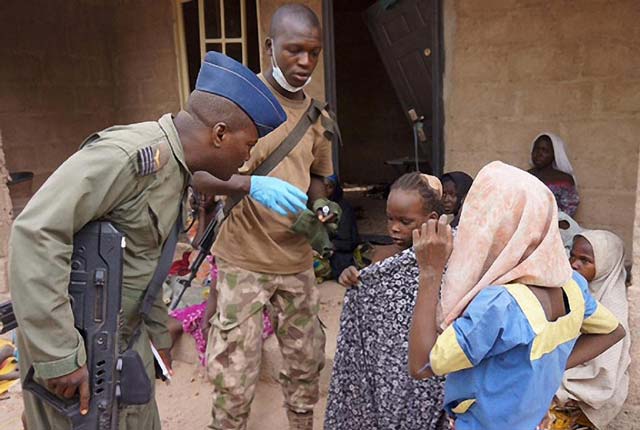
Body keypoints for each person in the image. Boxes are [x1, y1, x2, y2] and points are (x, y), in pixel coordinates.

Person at [9, 51, 307, 429]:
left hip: (119, 341)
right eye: (247, 146)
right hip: (74, 348)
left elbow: (139, 258)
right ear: (219, 133)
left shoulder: (177, 171)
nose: (247, 160)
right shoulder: (129, 158)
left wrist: (155, 329)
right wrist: (58, 355)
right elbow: (36, 232)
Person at [192, 5, 336, 429]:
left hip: (295, 263)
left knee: (305, 368)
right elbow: (197, 173)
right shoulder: (236, 105)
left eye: (314, 52)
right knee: (233, 378)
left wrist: (321, 207)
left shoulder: (317, 117)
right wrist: (248, 185)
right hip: (243, 262)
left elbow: (319, 178)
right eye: (294, 51)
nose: (305, 63)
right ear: (270, 47)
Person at [408, 161, 626, 430]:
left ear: (496, 228)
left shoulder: (499, 307)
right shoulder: (573, 286)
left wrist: (430, 272)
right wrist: (548, 370)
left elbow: (421, 365)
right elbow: (613, 331)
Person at [325, 172, 449, 430]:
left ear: (431, 220)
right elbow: (369, 297)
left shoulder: (447, 259)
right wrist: (352, 278)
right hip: (389, 371)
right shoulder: (382, 257)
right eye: (390, 218)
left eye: (405, 221)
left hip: (428, 368)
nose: (394, 227)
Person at [550, 231, 631, 429]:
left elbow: (602, 373)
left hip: (578, 396)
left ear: (605, 265)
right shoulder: (571, 290)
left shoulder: (612, 306)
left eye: (585, 260)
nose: (574, 264)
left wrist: (551, 381)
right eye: (573, 256)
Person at [528, 132, 580, 216]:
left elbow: (569, 208)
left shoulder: (564, 179)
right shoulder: (524, 176)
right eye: (536, 149)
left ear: (554, 154)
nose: (539, 154)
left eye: (545, 151)